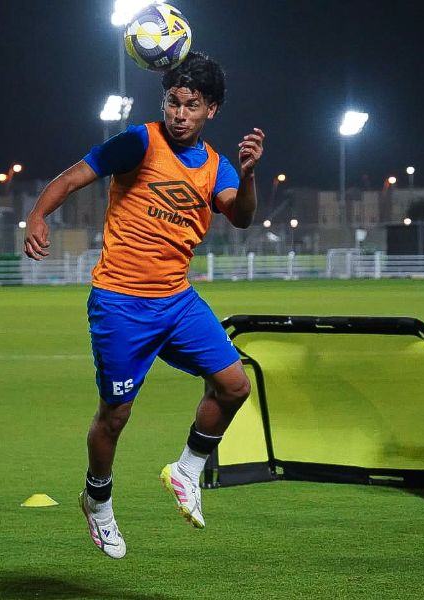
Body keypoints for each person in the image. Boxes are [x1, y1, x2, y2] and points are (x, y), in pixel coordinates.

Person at [24, 52, 263, 558]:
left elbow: (240, 217)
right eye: (172, 102)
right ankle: (98, 500)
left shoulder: (218, 166)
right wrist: (38, 216)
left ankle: (187, 469)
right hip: (120, 304)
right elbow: (70, 178)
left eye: (191, 105)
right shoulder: (139, 141)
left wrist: (247, 176)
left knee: (235, 385)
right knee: (115, 415)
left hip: (176, 301)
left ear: (211, 111)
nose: (179, 113)